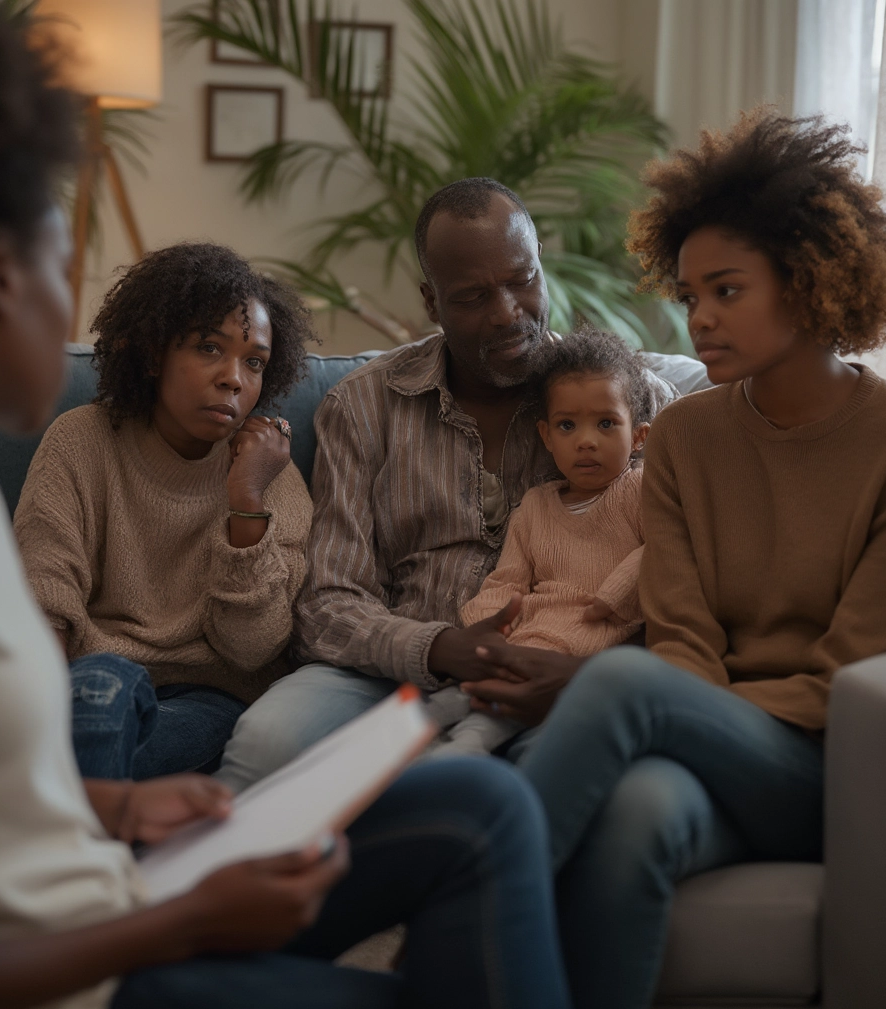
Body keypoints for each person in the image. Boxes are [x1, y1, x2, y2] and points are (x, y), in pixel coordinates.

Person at [0, 3, 579, 1009]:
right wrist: (185, 920)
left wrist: (119, 802)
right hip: (89, 977)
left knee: (482, 804)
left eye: (252, 361)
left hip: (110, 894)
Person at [463, 109, 886, 1009]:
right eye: (690, 293)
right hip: (705, 745)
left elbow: (839, 685)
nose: (697, 316)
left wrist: (684, 710)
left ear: (812, 279)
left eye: (726, 291)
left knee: (622, 683)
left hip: (827, 765)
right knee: (639, 817)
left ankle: (447, 914)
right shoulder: (688, 437)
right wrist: (688, 712)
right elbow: (686, 638)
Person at [214, 176, 707, 793]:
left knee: (569, 783)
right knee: (267, 743)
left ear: (540, 268)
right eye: (472, 296)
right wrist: (439, 647)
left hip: (566, 668)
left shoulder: (626, 399)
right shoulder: (365, 407)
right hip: (387, 672)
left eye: (521, 281)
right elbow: (327, 605)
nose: (507, 313)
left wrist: (585, 672)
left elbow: (680, 568)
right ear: (431, 300)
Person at [14, 243, 314, 780]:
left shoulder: (273, 476)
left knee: (109, 735)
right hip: (88, 682)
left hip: (206, 700)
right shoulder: (81, 440)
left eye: (254, 362)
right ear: (154, 354)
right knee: (103, 694)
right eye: (207, 348)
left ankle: (68, 813)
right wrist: (41, 711)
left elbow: (252, 651)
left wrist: (245, 500)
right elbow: (43, 597)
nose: (234, 378)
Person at [427, 327, 652, 756]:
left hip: (588, 638)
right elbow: (507, 580)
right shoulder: (534, 507)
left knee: (487, 720)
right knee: (449, 701)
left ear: (638, 437)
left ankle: (458, 753)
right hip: (524, 637)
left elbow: (664, 548)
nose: (586, 440)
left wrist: (613, 595)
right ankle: (411, 741)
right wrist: (485, 629)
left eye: (606, 424)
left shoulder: (639, 491)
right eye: (568, 426)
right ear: (547, 437)